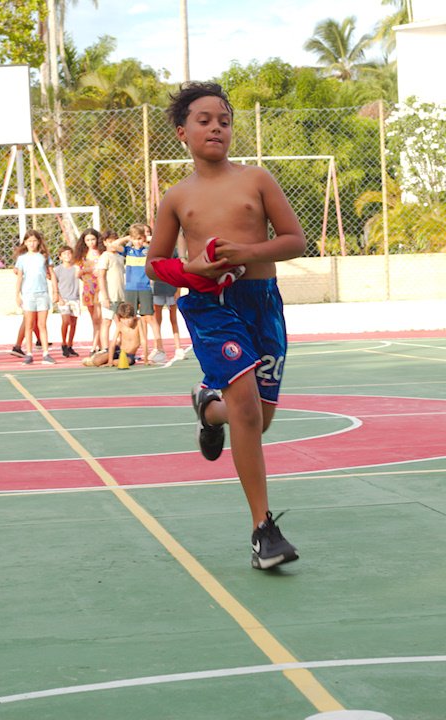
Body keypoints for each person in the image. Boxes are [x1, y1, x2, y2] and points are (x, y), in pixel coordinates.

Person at [146, 82, 306, 570]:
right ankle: (263, 530)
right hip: (211, 307)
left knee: (257, 419)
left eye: (224, 120)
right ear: (182, 132)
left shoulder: (257, 179)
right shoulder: (177, 196)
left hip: (262, 303)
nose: (216, 127)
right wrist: (191, 268)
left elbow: (295, 240)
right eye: (204, 120)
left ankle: (208, 409)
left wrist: (249, 252)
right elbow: (154, 264)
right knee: (248, 411)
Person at [121, 223, 166, 364]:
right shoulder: (127, 250)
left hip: (145, 287)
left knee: (149, 318)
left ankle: (159, 349)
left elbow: (160, 242)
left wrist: (147, 238)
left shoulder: (148, 250)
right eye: (135, 239)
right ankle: (130, 351)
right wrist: (128, 237)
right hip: (130, 288)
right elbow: (112, 246)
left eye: (140, 238)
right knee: (129, 319)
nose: (137, 241)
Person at [15, 229, 57, 365]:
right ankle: (29, 354)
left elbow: (52, 275)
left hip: (42, 294)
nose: (32, 243)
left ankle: (46, 354)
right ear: (25, 243)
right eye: (29, 241)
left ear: (38, 242)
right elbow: (19, 277)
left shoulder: (44, 257)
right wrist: (17, 295)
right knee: (29, 325)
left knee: (42, 325)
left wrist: (55, 292)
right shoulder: (22, 259)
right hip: (28, 294)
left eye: (34, 241)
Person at [73, 228, 104, 354]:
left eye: (93, 239)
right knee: (94, 319)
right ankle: (99, 345)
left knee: (99, 318)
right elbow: (77, 273)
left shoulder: (102, 253)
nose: (91, 242)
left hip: (100, 288)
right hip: (88, 289)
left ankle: (95, 345)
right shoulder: (82, 255)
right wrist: (86, 271)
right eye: (88, 240)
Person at [152, 249, 185, 361]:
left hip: (171, 288)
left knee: (173, 319)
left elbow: (179, 271)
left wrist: (178, 290)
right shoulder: (156, 251)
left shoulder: (174, 252)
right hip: (158, 288)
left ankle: (178, 348)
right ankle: (158, 347)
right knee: (157, 320)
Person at [96, 229, 126, 352]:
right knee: (107, 322)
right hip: (109, 295)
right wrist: (105, 296)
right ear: (104, 242)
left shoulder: (120, 257)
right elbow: (101, 276)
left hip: (120, 295)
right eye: (109, 241)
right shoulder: (105, 256)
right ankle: (105, 348)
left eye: (115, 241)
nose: (112, 244)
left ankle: (120, 347)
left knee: (121, 323)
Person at [53, 245, 80, 357]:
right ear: (60, 257)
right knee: (66, 321)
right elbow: (54, 284)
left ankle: (70, 345)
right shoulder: (57, 270)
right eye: (64, 254)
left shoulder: (76, 268)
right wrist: (58, 297)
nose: (67, 256)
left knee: (73, 323)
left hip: (75, 298)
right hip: (63, 299)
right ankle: (63, 343)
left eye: (69, 253)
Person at [107, 301, 148, 367]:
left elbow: (143, 340)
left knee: (117, 362)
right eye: (124, 318)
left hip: (129, 355)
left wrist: (146, 360)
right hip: (118, 351)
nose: (126, 321)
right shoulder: (120, 325)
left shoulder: (138, 322)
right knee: (97, 361)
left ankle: (110, 361)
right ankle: (99, 360)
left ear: (134, 316)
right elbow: (113, 342)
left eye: (128, 318)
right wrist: (110, 361)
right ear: (120, 318)